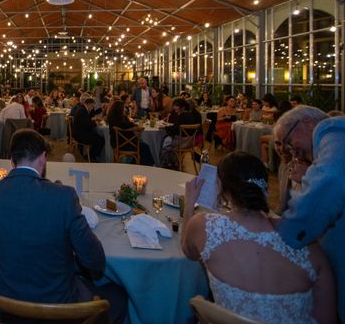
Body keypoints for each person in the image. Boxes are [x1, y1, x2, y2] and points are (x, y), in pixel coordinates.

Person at [0, 129, 128, 323]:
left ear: (12, 160)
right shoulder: (63, 197)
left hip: (11, 309)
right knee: (121, 295)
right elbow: (96, 261)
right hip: (62, 310)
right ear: (42, 158)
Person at [182, 151, 336, 324]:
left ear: (221, 187)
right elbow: (328, 318)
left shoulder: (204, 226)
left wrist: (189, 204)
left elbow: (188, 251)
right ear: (266, 187)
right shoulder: (308, 246)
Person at [276, 106, 345, 321]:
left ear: (306, 122)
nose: (292, 152)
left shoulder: (332, 131)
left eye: (289, 142)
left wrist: (285, 234)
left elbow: (331, 181)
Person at [107, 100, 153, 165]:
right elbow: (125, 125)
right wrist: (133, 125)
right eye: (123, 108)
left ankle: (134, 163)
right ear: (119, 109)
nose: (125, 109)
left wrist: (131, 123)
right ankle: (148, 166)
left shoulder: (113, 118)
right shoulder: (119, 120)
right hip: (124, 143)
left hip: (118, 143)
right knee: (145, 147)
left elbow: (126, 124)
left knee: (142, 144)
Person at [73, 97, 104, 162]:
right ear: (89, 104)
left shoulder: (82, 109)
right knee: (100, 139)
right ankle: (91, 156)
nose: (93, 108)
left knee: (97, 137)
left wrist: (93, 120)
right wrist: (95, 123)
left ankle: (90, 155)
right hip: (81, 135)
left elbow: (86, 120)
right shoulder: (83, 111)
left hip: (79, 133)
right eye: (92, 106)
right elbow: (86, 124)